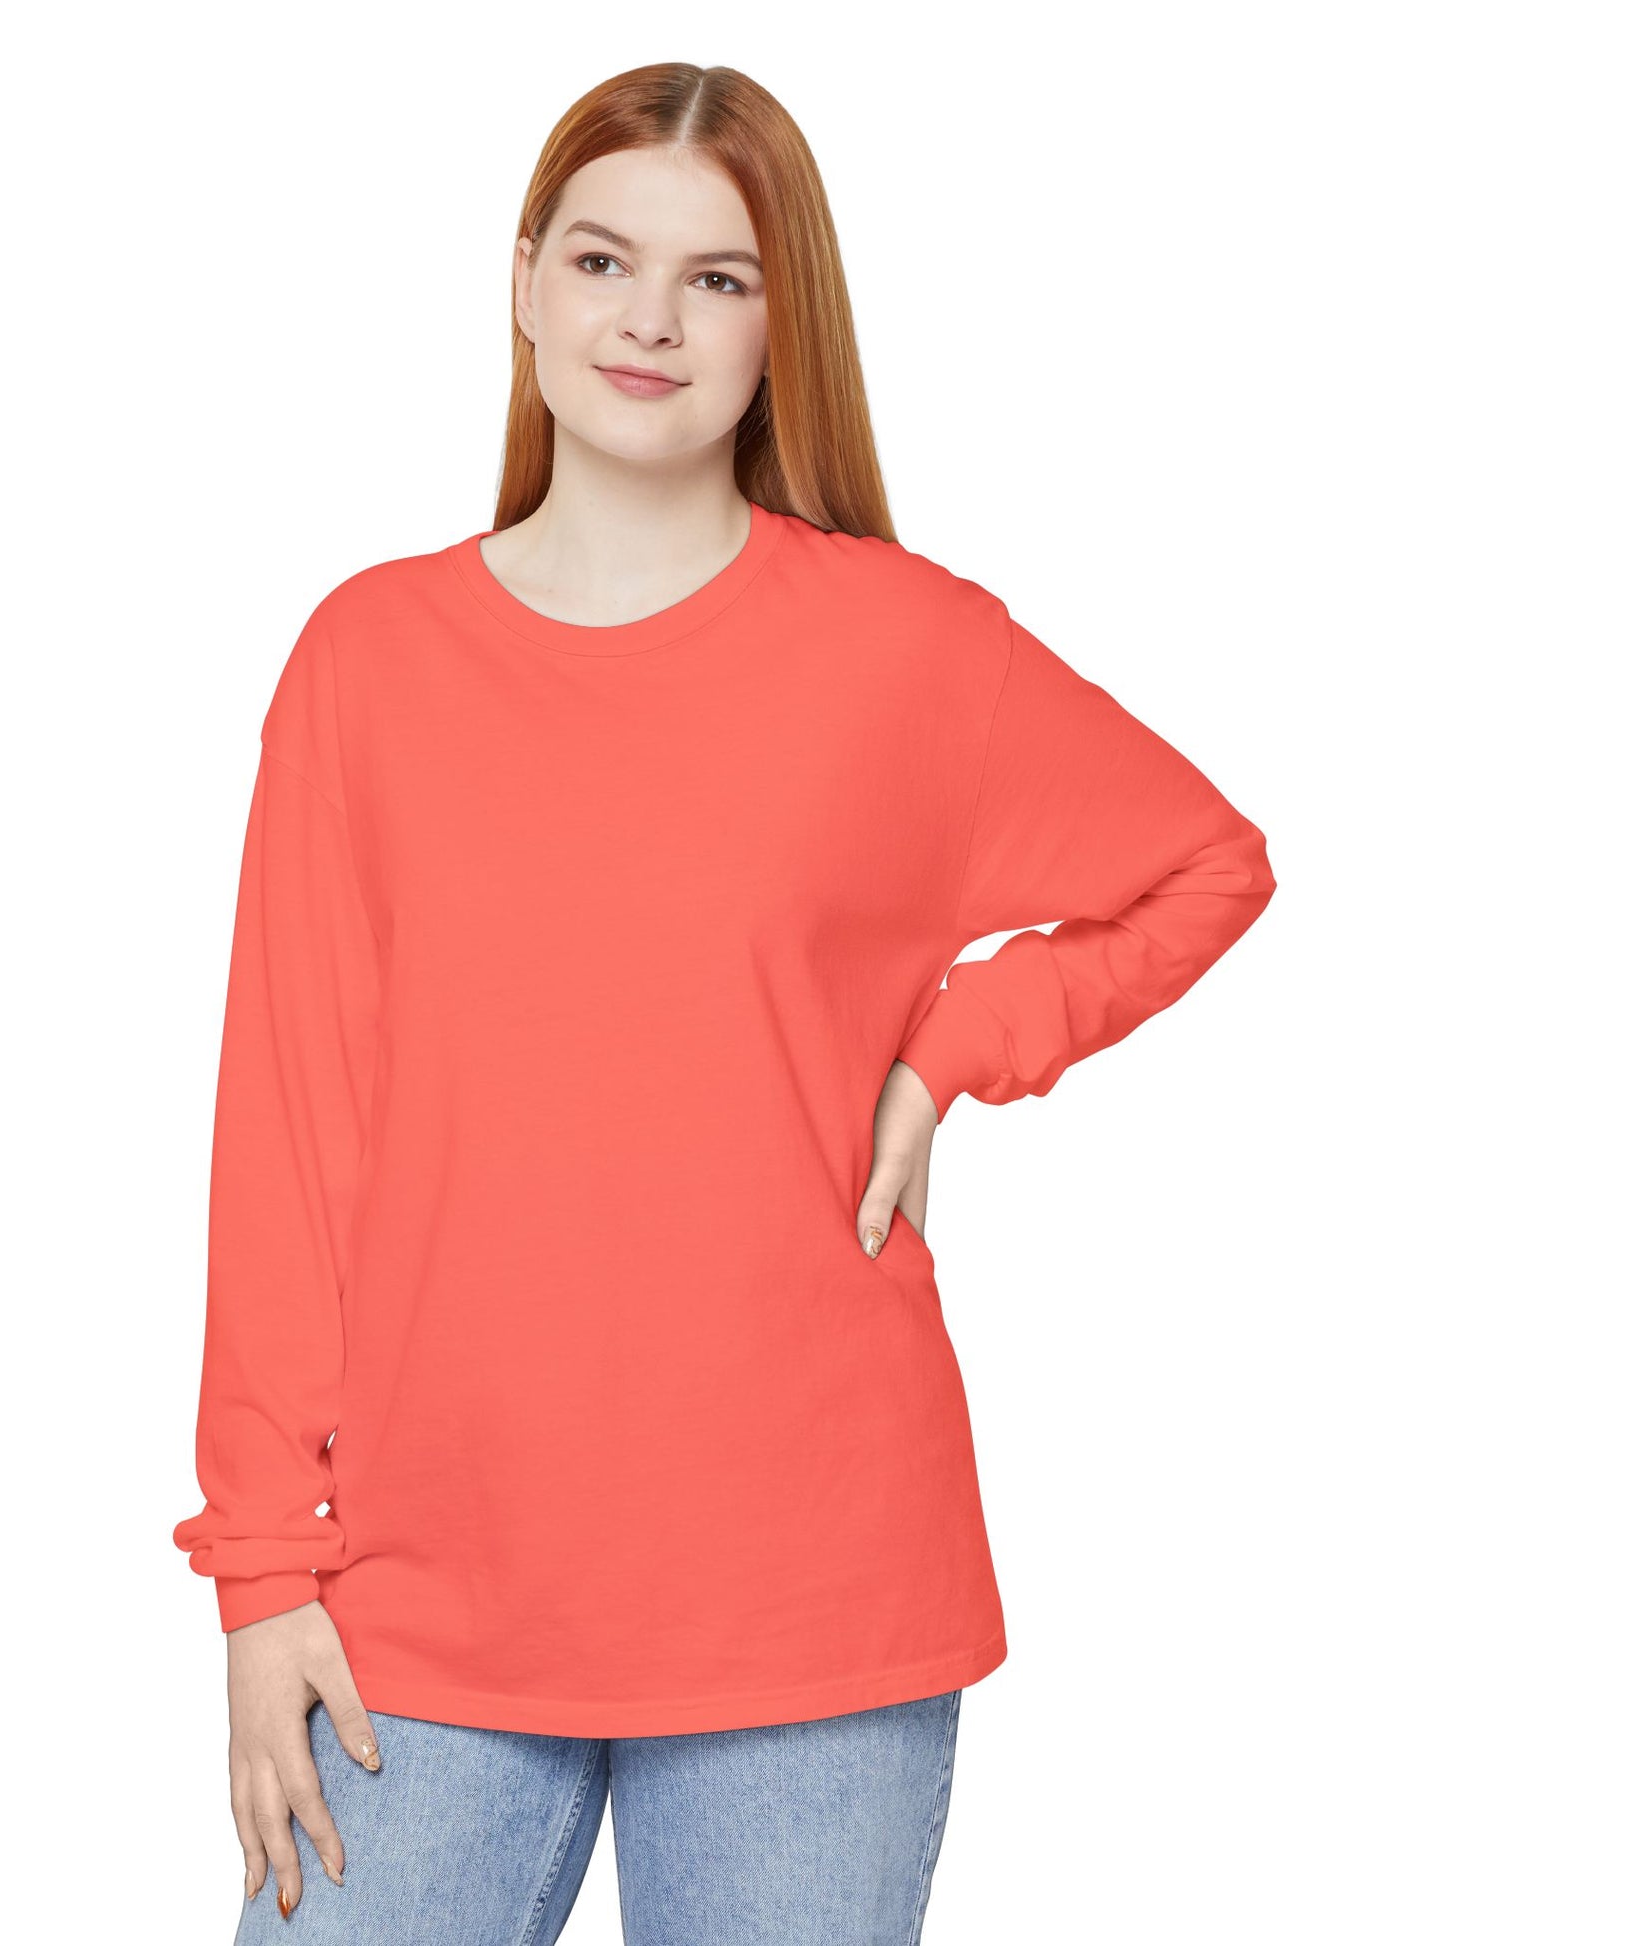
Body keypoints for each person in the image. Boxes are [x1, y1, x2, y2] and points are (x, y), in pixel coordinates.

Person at [173, 61, 1277, 1945]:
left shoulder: (904, 651)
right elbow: (288, 1138)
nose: (649, 322)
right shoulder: (371, 661)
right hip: (417, 1602)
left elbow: (1203, 863)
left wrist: (952, 1050)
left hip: (810, 1597)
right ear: (524, 283)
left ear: (782, 326)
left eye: (716, 279)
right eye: (603, 261)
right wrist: (262, 1570)